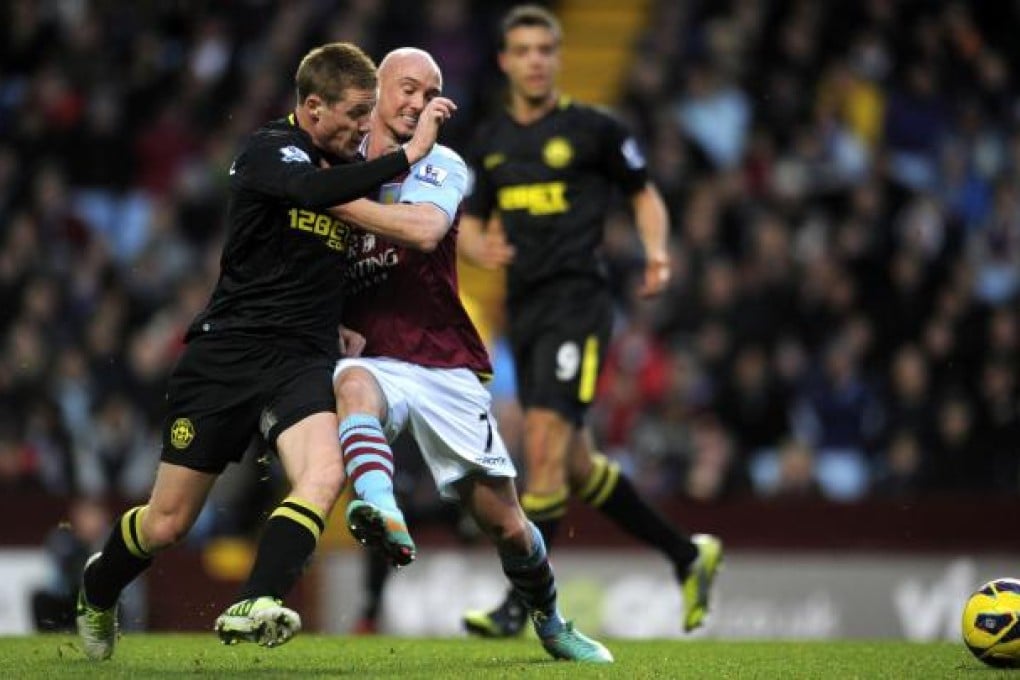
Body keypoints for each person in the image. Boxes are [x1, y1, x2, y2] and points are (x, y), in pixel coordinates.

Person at [74, 41, 454, 661]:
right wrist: (408, 154)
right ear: (311, 107)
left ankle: (256, 599)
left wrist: (345, 321)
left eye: (369, 115)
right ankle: (97, 585)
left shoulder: (344, 161)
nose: (364, 128)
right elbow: (308, 195)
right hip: (227, 355)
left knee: (325, 474)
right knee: (169, 523)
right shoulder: (265, 152)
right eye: (356, 114)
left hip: (300, 361)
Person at [328, 47, 613, 663]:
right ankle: (380, 509)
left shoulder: (442, 163)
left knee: (507, 524)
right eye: (406, 88)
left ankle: (552, 620)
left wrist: (323, 197)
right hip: (372, 355)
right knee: (351, 387)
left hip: (440, 361)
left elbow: (424, 230)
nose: (417, 103)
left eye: (431, 93)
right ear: (375, 90)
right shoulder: (336, 163)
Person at [455, 5, 723, 638]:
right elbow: (467, 219)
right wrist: (475, 246)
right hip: (524, 309)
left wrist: (658, 251)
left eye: (546, 49)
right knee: (575, 465)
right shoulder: (491, 142)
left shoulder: (594, 129)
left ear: (558, 57)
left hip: (580, 304)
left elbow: (642, 192)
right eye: (523, 50)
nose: (536, 60)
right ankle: (689, 555)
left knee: (543, 446)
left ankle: (521, 604)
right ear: (505, 61)